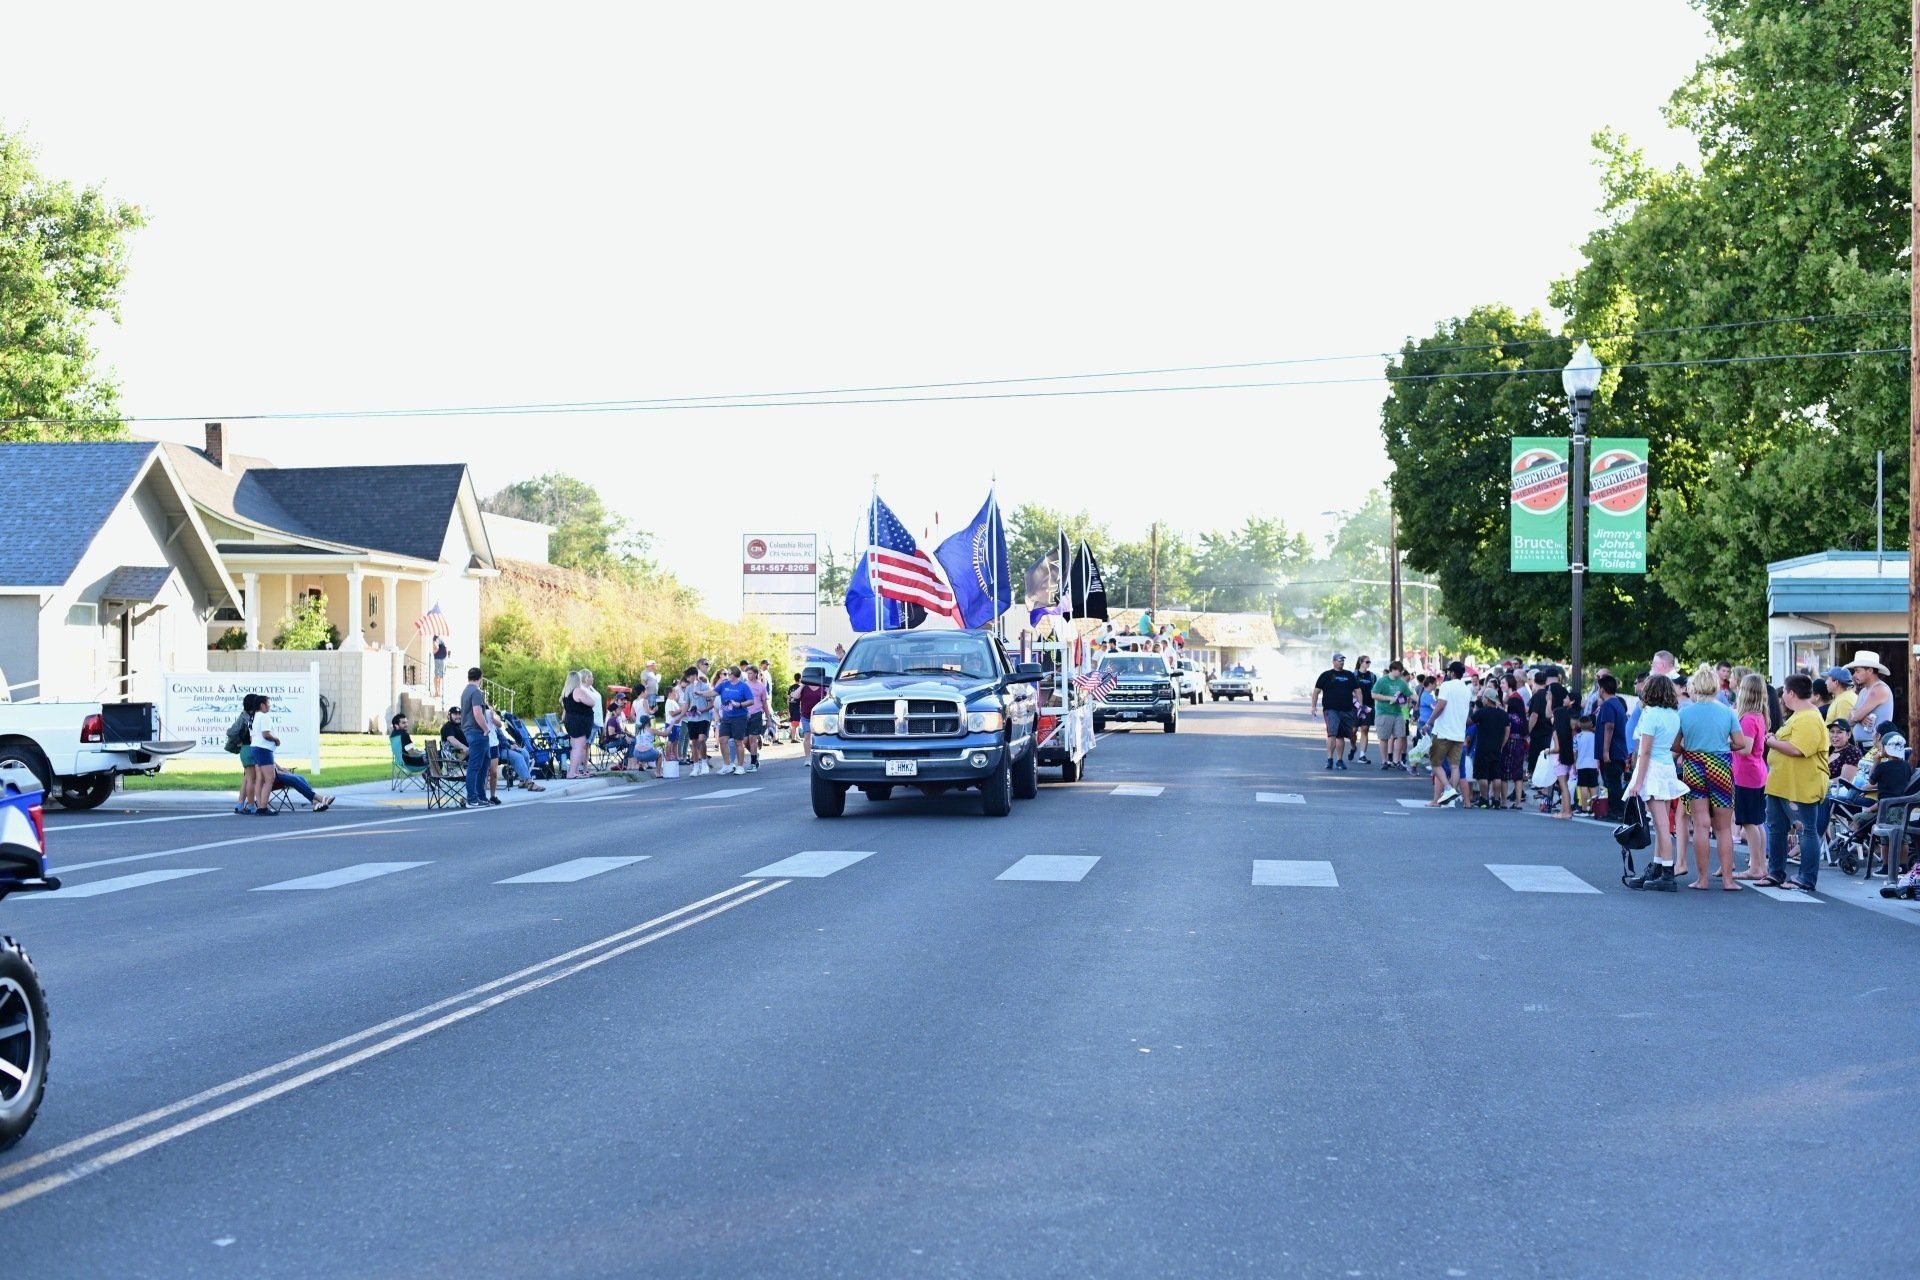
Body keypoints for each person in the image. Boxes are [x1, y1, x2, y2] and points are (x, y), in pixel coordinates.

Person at [1675, 664, 1744, 890]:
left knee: (1701, 825)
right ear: (1715, 687)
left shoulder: (1684, 712)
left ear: (1694, 688)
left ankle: (1702, 879)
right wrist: (1724, 745)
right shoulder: (1727, 712)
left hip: (1694, 765)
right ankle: (1727, 879)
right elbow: (1740, 743)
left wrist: (1689, 748)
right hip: (1720, 766)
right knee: (1724, 827)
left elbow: (1675, 745)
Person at [1762, 673, 1829, 891]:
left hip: (1800, 785)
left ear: (1791, 693)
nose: (1782, 699)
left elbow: (1798, 749)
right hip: (1783, 783)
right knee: (1776, 829)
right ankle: (1776, 872)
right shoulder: (1799, 716)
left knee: (1806, 831)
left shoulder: (1809, 717)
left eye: (1784, 695)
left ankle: (1806, 878)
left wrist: (1772, 742)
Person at [1623, 674, 1689, 891]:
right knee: (1662, 823)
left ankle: (1667, 873)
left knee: (1660, 825)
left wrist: (1637, 782)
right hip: (1667, 769)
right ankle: (1658, 868)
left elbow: (1645, 750)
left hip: (1651, 769)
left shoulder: (1650, 714)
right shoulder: (1674, 714)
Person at [1730, 673, 1771, 880]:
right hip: (1757, 772)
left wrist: (1725, 742)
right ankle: (1761, 864)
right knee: (1757, 821)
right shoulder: (1759, 716)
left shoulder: (1747, 719)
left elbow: (1744, 749)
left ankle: (1755, 866)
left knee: (1748, 822)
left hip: (1747, 774)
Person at [1427, 661, 1471, 807]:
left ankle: (1448, 789)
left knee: (1435, 763)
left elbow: (1441, 705)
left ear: (1452, 673)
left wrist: (1430, 721)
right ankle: (1451, 790)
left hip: (1443, 731)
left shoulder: (1446, 686)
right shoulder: (1467, 689)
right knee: (1455, 766)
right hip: (1459, 733)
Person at [1310, 653, 1361, 772]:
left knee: (1341, 735)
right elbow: (1316, 692)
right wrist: (1313, 706)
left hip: (1346, 709)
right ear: (1333, 661)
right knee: (1332, 733)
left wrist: (1360, 706)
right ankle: (1329, 759)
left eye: (1343, 660)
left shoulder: (1349, 675)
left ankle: (1339, 760)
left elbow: (1358, 691)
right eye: (1339, 660)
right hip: (1330, 709)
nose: (1341, 662)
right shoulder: (1326, 675)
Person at [1594, 673, 1628, 819]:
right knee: (1612, 782)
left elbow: (1609, 726)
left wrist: (1605, 751)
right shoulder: (1617, 703)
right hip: (1618, 750)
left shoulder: (1608, 705)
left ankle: (1616, 811)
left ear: (1602, 689)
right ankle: (1615, 810)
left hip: (1612, 752)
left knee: (1612, 783)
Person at [1469, 687, 1508, 809]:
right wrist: (1501, 744)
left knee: (1483, 775)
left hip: (1482, 747)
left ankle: (1484, 799)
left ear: (1487, 700)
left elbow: (1470, 721)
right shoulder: (1503, 714)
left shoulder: (1482, 712)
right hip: (1497, 747)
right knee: (1496, 775)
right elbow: (1507, 731)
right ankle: (1497, 800)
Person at [245, 693, 284, 818]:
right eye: (268, 704)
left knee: (260, 779)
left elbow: (252, 737)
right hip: (264, 749)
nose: (269, 706)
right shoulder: (264, 717)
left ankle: (260, 804)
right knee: (269, 779)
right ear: (262, 705)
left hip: (255, 748)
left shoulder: (253, 717)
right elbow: (266, 734)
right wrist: (276, 740)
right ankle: (263, 807)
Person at [489, 708, 545, 794]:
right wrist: (509, 746)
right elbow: (494, 741)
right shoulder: (489, 727)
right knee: (518, 757)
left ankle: (523, 781)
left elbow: (504, 739)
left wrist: (513, 744)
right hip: (498, 750)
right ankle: (529, 782)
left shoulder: (495, 726)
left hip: (505, 747)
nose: (498, 717)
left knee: (524, 753)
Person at [1845, 650, 1895, 745]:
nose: (1854, 675)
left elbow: (1855, 716)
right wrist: (1860, 717)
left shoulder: (1879, 688)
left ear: (1870, 670)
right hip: (1863, 745)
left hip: (1874, 746)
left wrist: (1858, 716)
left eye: (1857, 671)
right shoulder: (1864, 691)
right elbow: (1849, 720)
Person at [1371, 660, 1413, 772]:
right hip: (1384, 712)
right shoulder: (1382, 681)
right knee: (1384, 738)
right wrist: (1389, 698)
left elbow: (1410, 694)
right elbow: (1373, 694)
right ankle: (1384, 761)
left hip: (1398, 713)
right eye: (1399, 671)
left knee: (1401, 736)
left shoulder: (1402, 682)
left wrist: (1420, 700)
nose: (1400, 673)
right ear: (1393, 670)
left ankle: (1396, 761)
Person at [460, 666, 492, 807]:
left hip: (469, 730)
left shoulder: (466, 691)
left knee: (484, 764)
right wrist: (486, 729)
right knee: (476, 766)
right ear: (481, 678)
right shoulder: (476, 692)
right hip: (477, 731)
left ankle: (481, 796)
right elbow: (477, 713)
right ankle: (472, 798)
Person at [714, 665, 754, 775]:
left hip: (739, 717)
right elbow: (713, 692)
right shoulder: (724, 684)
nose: (727, 676)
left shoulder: (743, 686)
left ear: (734, 675)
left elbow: (751, 701)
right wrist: (701, 693)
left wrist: (740, 704)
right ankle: (727, 765)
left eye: (729, 674)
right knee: (722, 740)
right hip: (726, 717)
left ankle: (740, 766)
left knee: (738, 742)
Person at [562, 669, 598, 779]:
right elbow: (592, 702)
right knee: (578, 747)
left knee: (576, 747)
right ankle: (572, 772)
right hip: (579, 722)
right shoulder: (577, 691)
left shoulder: (565, 692)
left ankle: (575, 771)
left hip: (571, 720)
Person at [682, 665, 715, 776]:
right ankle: (696, 766)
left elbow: (711, 703)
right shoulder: (688, 688)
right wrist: (682, 715)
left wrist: (702, 710)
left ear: (695, 676)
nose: (688, 679)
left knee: (701, 740)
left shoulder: (705, 687)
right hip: (692, 718)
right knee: (694, 742)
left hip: (704, 717)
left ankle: (704, 762)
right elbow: (687, 704)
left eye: (689, 676)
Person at [1351, 655, 1377, 764]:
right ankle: (1353, 747)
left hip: (1368, 706)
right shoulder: (1353, 675)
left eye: (1369, 662)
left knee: (1365, 729)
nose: (1368, 664)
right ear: (1361, 662)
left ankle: (1362, 755)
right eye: (1367, 662)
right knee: (1352, 731)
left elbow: (1376, 689)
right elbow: (1349, 690)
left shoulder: (1372, 676)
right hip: (1355, 706)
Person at [744, 663, 770, 770]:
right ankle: (755, 755)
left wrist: (768, 718)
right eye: (747, 673)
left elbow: (764, 704)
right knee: (745, 741)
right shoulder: (744, 685)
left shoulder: (761, 687)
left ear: (755, 674)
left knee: (752, 738)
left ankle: (753, 763)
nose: (748, 675)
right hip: (745, 714)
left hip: (757, 714)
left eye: (750, 673)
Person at [1572, 716, 1598, 814]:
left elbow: (1575, 752)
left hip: (1581, 764)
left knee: (1583, 786)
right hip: (1593, 764)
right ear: (1590, 724)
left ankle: (1584, 808)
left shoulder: (1577, 737)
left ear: (1579, 725)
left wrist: (1574, 765)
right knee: (1593, 786)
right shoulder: (1594, 736)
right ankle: (1593, 809)